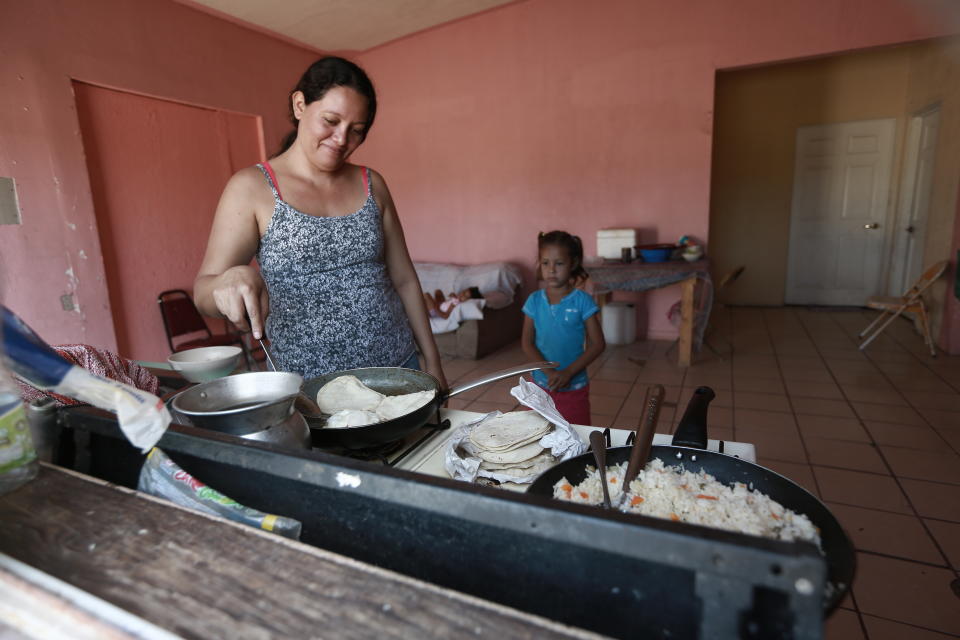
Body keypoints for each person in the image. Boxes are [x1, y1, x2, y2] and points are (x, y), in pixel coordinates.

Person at [193, 57, 446, 388]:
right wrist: (229, 280)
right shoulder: (251, 188)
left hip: (398, 369)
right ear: (300, 105)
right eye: (330, 120)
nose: (341, 139)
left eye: (356, 131)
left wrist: (434, 362)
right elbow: (203, 292)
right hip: (310, 388)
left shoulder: (373, 184)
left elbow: (404, 280)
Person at [521, 231, 605, 425]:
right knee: (538, 434)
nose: (551, 270)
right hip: (540, 385)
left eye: (559, 263)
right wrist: (549, 373)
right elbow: (527, 343)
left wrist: (568, 373)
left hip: (574, 387)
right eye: (545, 263)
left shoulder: (583, 301)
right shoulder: (534, 301)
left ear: (573, 264)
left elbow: (598, 344)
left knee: (577, 435)